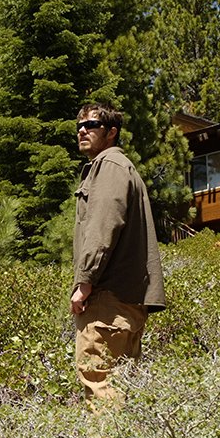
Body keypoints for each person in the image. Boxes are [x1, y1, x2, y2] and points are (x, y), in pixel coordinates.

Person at [70, 103, 165, 403]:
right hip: (126, 303)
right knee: (122, 387)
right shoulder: (122, 168)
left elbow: (104, 225)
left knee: (99, 383)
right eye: (79, 126)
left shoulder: (108, 166)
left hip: (108, 300)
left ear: (112, 132)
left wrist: (85, 281)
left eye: (92, 125)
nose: (83, 131)